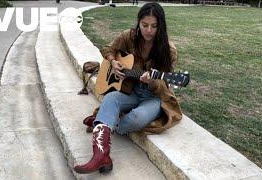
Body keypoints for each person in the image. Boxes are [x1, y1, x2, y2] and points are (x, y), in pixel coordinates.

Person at [73, 2, 182, 174]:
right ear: (138, 23)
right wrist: (113, 61)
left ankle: (103, 122)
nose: (149, 30)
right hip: (129, 91)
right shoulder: (129, 36)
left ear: (161, 26)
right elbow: (108, 49)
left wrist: (151, 80)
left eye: (154, 26)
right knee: (110, 98)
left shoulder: (169, 50)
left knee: (137, 118)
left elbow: (163, 83)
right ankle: (101, 155)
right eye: (144, 25)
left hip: (152, 97)